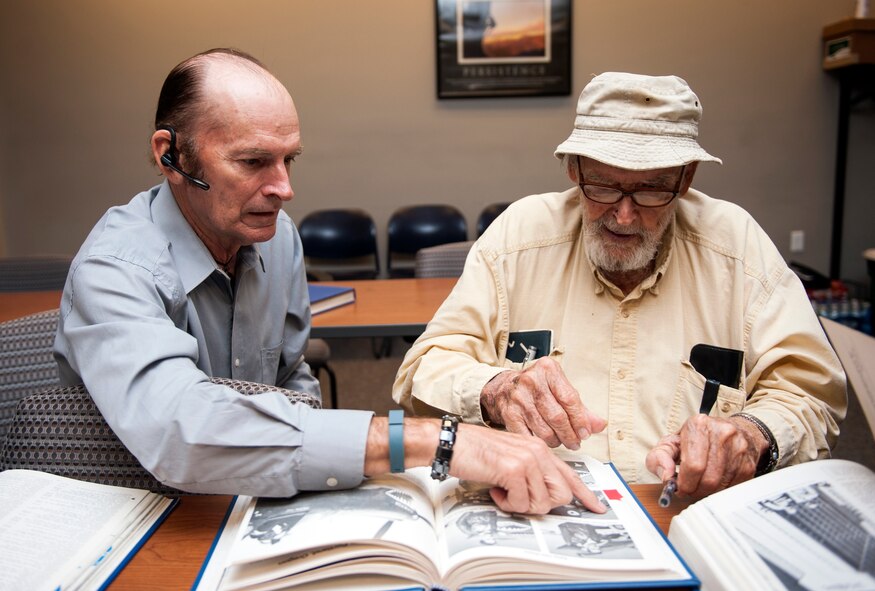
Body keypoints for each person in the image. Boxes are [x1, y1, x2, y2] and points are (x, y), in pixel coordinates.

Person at [53, 48, 603, 515]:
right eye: (252, 161)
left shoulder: (279, 237)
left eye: (289, 159)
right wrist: (432, 439)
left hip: (248, 505)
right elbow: (182, 428)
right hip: (145, 515)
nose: (284, 187)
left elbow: (292, 377)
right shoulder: (114, 269)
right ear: (170, 155)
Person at [393, 72, 847, 500]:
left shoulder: (736, 248)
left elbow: (810, 393)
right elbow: (422, 370)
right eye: (604, 187)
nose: (624, 216)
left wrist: (753, 434)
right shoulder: (518, 239)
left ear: (686, 178)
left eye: (651, 190)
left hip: (688, 515)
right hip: (537, 509)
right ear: (574, 170)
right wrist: (494, 389)